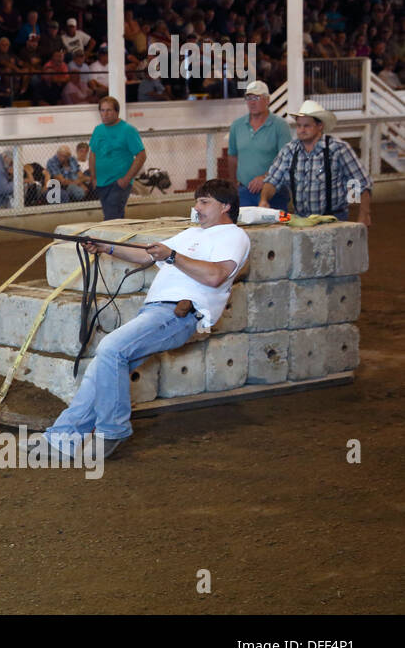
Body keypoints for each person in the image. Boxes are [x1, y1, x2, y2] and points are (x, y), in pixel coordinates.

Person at [44, 180, 250, 458]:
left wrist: (174, 256)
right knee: (101, 368)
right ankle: (62, 439)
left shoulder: (233, 236)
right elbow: (148, 254)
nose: (196, 208)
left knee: (110, 349)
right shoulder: (190, 234)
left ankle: (113, 430)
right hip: (157, 312)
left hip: (178, 314)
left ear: (226, 206)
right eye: (196, 201)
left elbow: (215, 276)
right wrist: (108, 247)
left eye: (204, 202)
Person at [259, 100, 372, 225]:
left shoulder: (338, 149)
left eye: (307, 126)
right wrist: (264, 199)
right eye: (299, 126)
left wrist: (364, 215)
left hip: (334, 220)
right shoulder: (289, 151)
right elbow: (272, 180)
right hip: (302, 221)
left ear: (320, 126)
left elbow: (361, 183)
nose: (301, 130)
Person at [227, 80, 292, 209]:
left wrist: (264, 178)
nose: (252, 102)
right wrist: (233, 184)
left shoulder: (280, 126)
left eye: (256, 97)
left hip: (274, 191)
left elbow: (286, 160)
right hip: (244, 191)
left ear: (267, 100)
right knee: (244, 228)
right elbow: (232, 156)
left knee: (276, 228)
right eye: (248, 98)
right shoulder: (237, 125)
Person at [88, 96, 146, 220]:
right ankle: (117, 238)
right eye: (102, 110)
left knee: (112, 216)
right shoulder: (98, 130)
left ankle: (110, 239)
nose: (105, 114)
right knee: (112, 216)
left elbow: (141, 155)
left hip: (118, 182)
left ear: (117, 112)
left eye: (109, 110)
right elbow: (93, 153)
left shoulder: (128, 130)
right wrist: (93, 177)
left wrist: (126, 179)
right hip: (101, 182)